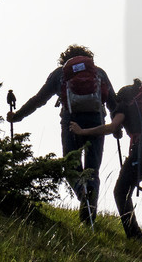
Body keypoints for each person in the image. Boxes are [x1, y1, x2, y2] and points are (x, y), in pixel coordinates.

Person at [70, 80, 142, 260]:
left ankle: (135, 237)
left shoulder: (125, 105)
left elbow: (112, 127)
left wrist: (82, 131)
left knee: (121, 192)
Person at [8, 44, 118, 226]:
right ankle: (89, 214)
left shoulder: (60, 73)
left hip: (71, 122)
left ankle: (82, 194)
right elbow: (113, 103)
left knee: (70, 165)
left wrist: (18, 116)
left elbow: (39, 99)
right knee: (92, 169)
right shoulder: (99, 73)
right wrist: (117, 127)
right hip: (97, 122)